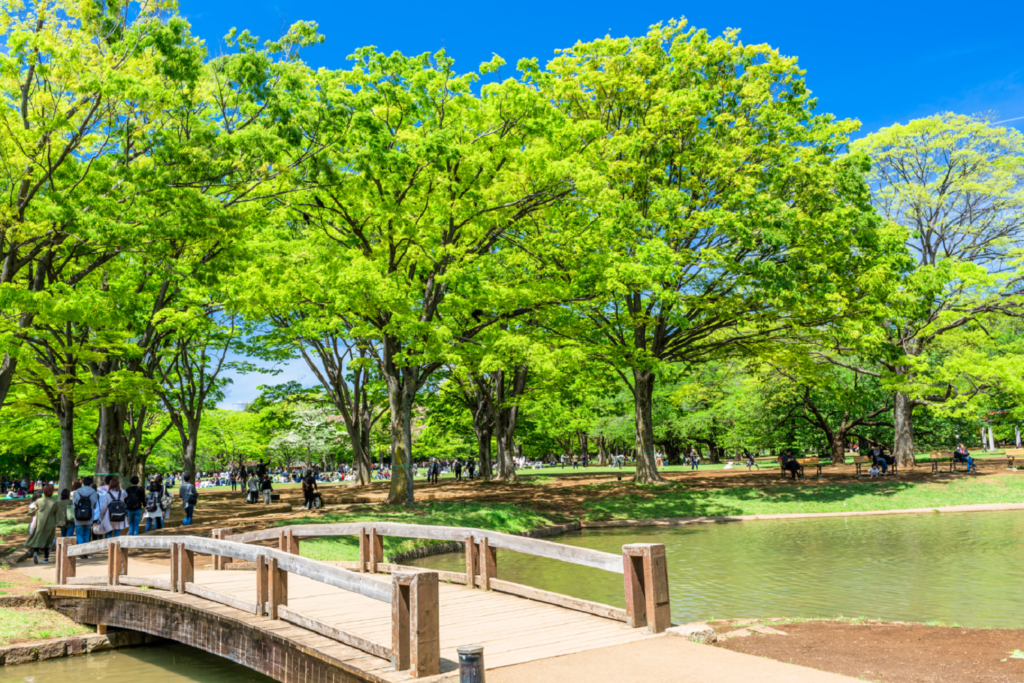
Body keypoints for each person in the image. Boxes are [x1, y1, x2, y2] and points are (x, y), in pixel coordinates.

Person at [27, 484, 60, 564]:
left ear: (44, 491)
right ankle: (46, 558)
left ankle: (35, 552)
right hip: (50, 523)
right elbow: (57, 513)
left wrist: (33, 508)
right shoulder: (55, 501)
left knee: (38, 537)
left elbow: (31, 512)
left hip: (39, 523)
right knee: (48, 540)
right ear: (52, 491)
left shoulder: (38, 501)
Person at [72, 477, 99, 549]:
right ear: (91, 484)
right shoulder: (94, 492)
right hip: (89, 516)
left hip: (78, 516)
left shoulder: (77, 492)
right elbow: (94, 505)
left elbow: (74, 504)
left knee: (79, 533)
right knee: (86, 534)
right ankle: (85, 550)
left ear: (83, 483)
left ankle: (80, 550)